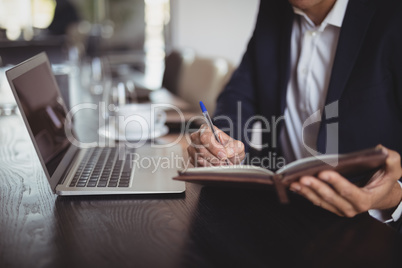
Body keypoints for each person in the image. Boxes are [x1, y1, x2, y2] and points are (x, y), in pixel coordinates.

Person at [187, 0, 402, 228]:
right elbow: (239, 95)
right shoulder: (274, 7)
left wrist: (394, 196)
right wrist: (222, 144)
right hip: (281, 213)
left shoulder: (393, 14)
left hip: (368, 227)